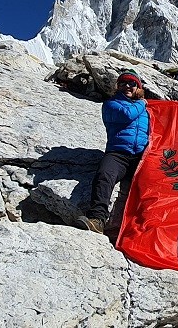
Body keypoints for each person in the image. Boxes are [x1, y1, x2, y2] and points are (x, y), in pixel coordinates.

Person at [76, 71, 149, 234]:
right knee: (104, 176)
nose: (127, 86)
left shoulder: (147, 110)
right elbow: (126, 115)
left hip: (142, 156)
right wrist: (143, 103)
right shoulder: (111, 104)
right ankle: (97, 219)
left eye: (132, 83)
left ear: (138, 87)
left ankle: (145, 228)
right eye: (123, 83)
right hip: (118, 153)